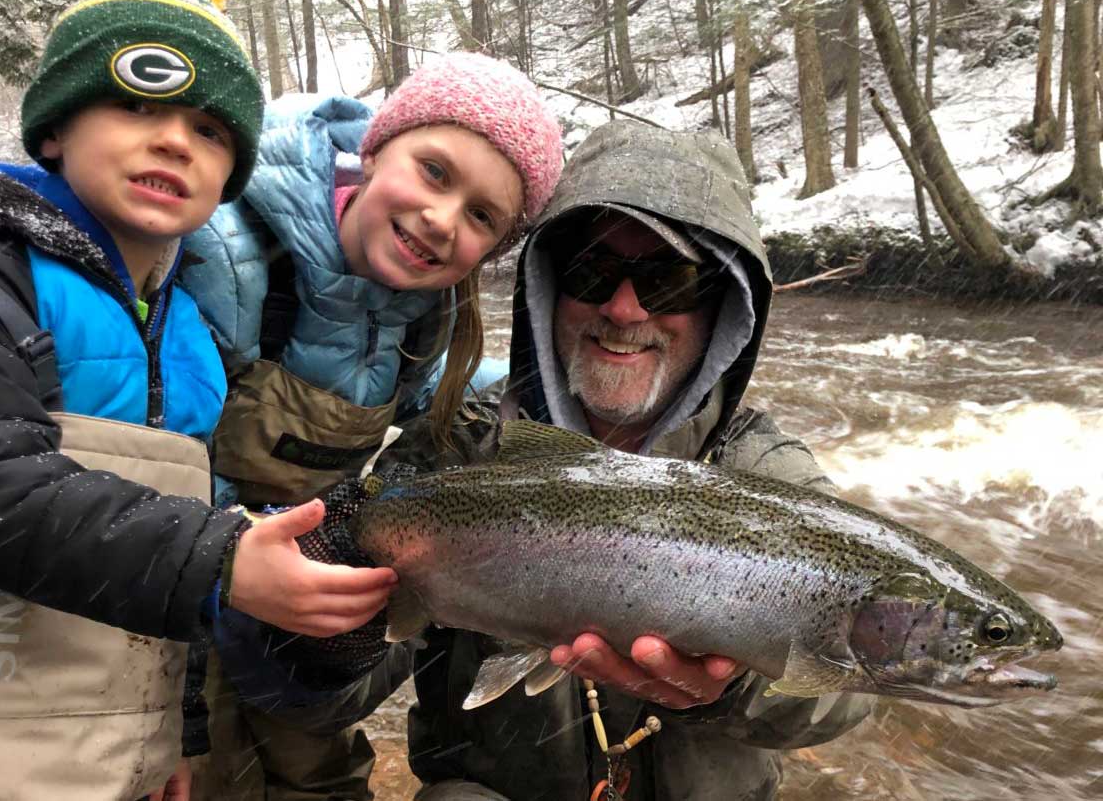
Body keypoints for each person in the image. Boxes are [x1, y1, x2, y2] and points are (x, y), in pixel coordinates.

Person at [292, 119, 874, 800]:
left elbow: (857, 695)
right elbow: (314, 704)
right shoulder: (458, 452)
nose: (624, 307)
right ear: (547, 290)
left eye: (669, 278)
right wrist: (334, 616)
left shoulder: (767, 475)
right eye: (591, 270)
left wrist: (731, 679)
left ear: (722, 307)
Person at [0, 0, 395, 800]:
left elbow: (170, 572)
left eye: (208, 127)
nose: (173, 142)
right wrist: (226, 561)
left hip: (111, 762)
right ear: (52, 130)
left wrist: (177, 739)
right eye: (136, 104)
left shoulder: (193, 331)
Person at [177, 53, 564, 797]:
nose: (441, 218)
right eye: (434, 171)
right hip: (178, 583)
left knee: (323, 779)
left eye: (482, 215)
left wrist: (559, 407)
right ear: (378, 145)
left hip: (295, 602)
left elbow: (443, 401)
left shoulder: (428, 311)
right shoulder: (224, 254)